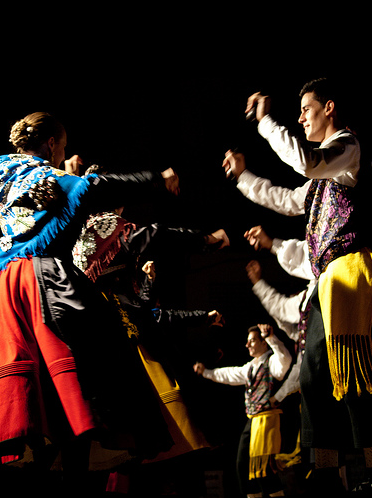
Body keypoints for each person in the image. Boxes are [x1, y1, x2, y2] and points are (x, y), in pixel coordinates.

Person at [0, 111, 181, 494]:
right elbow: (91, 189)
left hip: (3, 290)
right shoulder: (40, 173)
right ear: (51, 144)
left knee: (37, 398)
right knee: (91, 380)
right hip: (40, 280)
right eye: (60, 147)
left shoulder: (2, 171)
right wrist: (155, 179)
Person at [245, 78, 372, 493]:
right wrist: (244, 178)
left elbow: (305, 161)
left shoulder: (347, 148)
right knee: (315, 375)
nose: (300, 117)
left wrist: (267, 123)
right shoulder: (322, 173)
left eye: (306, 109)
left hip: (349, 274)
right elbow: (286, 198)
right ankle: (325, 468)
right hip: (324, 282)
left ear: (329, 108)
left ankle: (367, 466)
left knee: (352, 373)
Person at [194, 324, 292, 498]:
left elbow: (285, 360)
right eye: (248, 342)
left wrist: (271, 338)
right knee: (243, 466)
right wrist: (207, 372)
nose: (248, 345)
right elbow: (230, 374)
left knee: (265, 469)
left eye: (252, 341)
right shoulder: (250, 367)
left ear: (263, 343)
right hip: (253, 420)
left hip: (267, 421)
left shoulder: (273, 362)